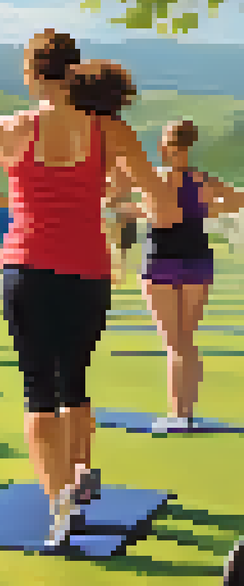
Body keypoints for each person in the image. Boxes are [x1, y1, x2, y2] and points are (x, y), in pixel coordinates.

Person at [0, 31, 177, 550]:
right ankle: (80, 476)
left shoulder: (8, 130)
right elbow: (161, 200)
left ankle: (60, 506)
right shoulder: (110, 130)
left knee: (40, 391)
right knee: (74, 381)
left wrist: (2, 198)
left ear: (30, 74)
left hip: (29, 267)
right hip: (89, 272)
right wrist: (116, 198)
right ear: (73, 70)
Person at [114, 120, 244, 431]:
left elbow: (122, 203)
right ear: (190, 144)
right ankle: (184, 412)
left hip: (160, 261)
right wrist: (205, 211)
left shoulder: (154, 178)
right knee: (186, 341)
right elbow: (239, 200)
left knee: (174, 343)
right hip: (197, 260)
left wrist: (140, 211)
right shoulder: (202, 180)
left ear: (164, 145)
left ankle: (178, 415)